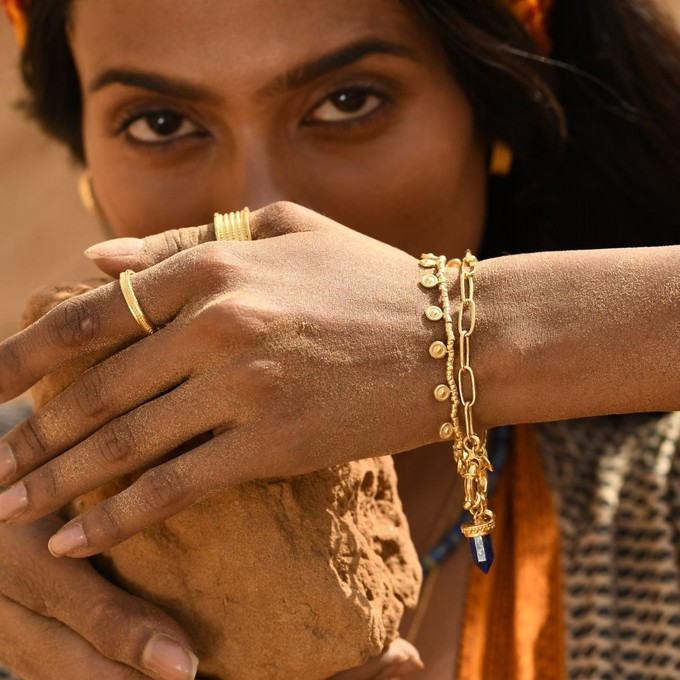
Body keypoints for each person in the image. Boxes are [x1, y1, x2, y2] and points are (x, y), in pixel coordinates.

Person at [0, 0, 678, 678]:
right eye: (161, 123)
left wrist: (460, 327)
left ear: (493, 117)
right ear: (86, 158)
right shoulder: (22, 559)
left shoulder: (655, 510)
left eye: (350, 101)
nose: (262, 215)